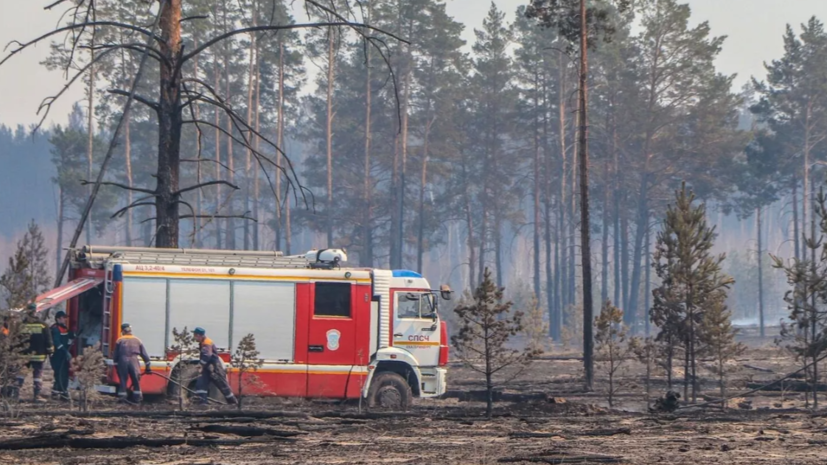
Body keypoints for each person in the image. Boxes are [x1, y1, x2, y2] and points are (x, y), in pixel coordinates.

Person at [16, 308, 53, 401]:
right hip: (39, 355)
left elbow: (16, 340)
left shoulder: (21, 325)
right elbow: (48, 341)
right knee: (38, 376)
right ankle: (36, 395)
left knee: (21, 374)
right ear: (35, 312)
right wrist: (50, 351)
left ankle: (15, 393)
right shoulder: (43, 325)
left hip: (24, 355)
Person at [192, 327, 236, 405]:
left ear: (199, 335)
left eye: (195, 335)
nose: (194, 337)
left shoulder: (207, 343)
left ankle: (233, 403)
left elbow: (207, 355)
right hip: (208, 368)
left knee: (223, 386)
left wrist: (201, 365)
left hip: (215, 368)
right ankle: (203, 404)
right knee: (201, 385)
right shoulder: (203, 342)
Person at [113, 323, 151, 403]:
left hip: (122, 361)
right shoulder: (137, 340)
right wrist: (148, 367)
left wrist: (116, 366)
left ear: (122, 331)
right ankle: (137, 400)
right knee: (136, 380)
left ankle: (122, 399)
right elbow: (145, 355)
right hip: (134, 361)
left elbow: (115, 356)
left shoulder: (120, 340)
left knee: (123, 381)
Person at [49, 310, 75, 400]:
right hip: (57, 355)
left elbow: (69, 335)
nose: (65, 319)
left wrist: (75, 334)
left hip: (62, 355)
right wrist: (65, 351)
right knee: (60, 373)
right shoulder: (55, 329)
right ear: (58, 319)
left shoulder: (64, 328)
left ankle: (58, 391)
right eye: (63, 318)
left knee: (64, 373)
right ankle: (61, 392)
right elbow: (57, 342)